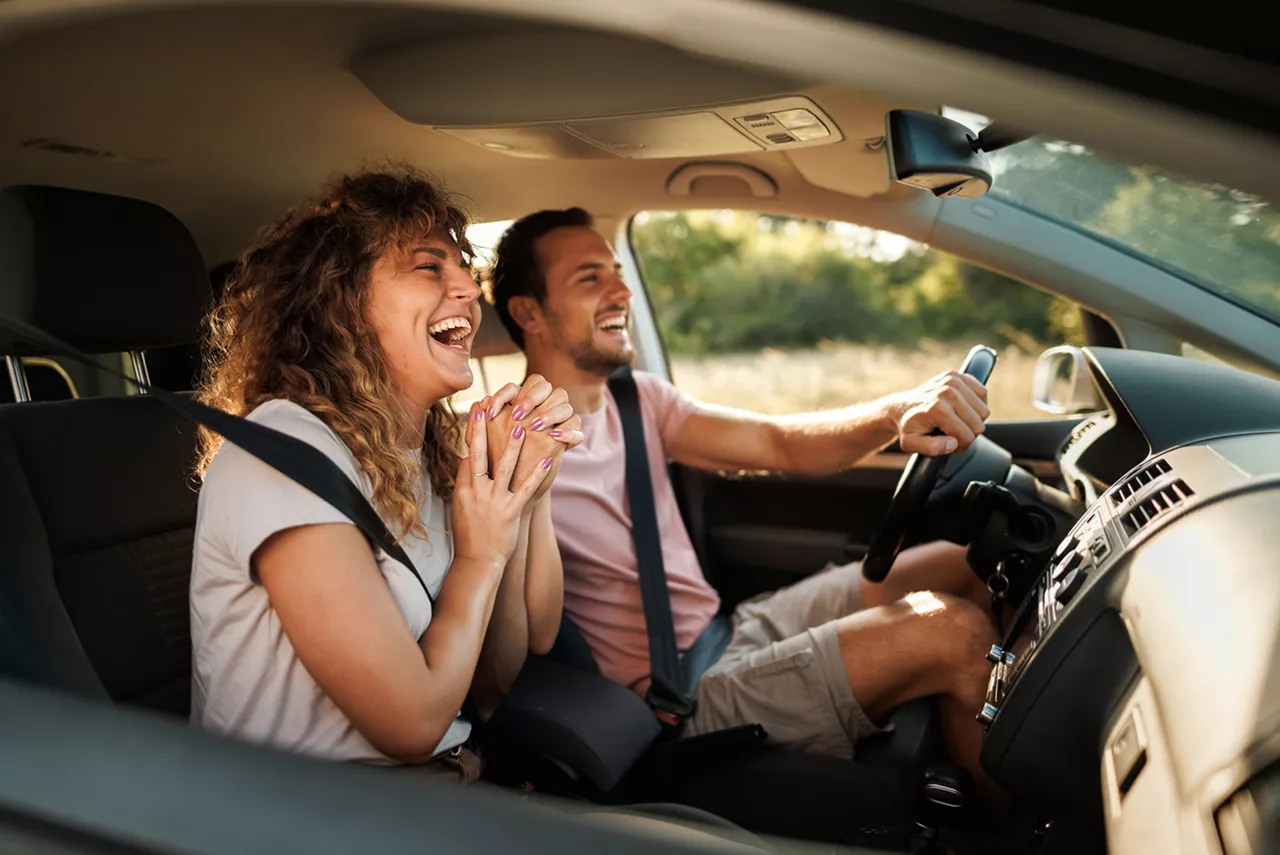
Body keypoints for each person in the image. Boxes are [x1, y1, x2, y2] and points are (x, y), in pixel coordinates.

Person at [488, 207, 1001, 801]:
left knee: (962, 562)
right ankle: (1009, 836)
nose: (621, 290)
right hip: (675, 699)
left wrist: (896, 411)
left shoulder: (638, 400)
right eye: (589, 278)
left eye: (616, 270)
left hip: (730, 628)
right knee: (955, 634)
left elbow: (777, 442)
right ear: (529, 312)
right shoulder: (506, 444)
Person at [188, 168, 583, 781]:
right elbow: (412, 726)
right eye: (429, 267)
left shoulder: (419, 453)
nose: (469, 289)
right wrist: (478, 559)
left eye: (462, 267)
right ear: (339, 301)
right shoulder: (282, 454)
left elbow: (498, 677)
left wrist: (524, 486)